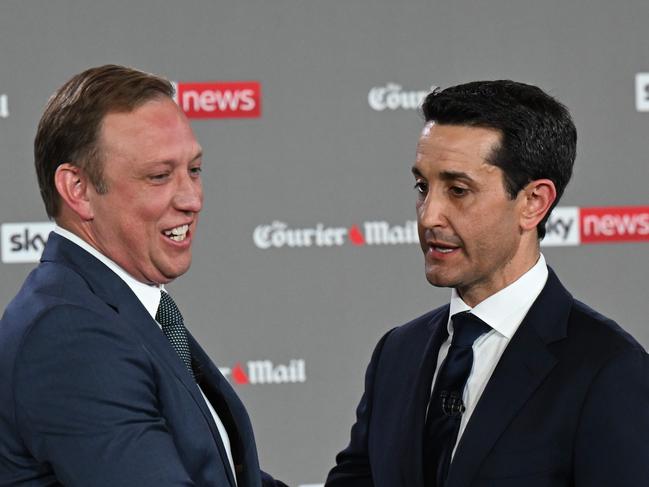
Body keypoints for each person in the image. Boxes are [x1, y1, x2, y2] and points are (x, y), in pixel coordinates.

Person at [326, 80, 649, 487]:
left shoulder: (607, 368)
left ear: (533, 203)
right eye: (423, 188)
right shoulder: (397, 353)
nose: (428, 216)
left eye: (458, 191)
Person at [0, 65, 286, 487]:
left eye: (194, 169)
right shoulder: (70, 333)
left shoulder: (115, 305)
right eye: (159, 176)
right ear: (78, 189)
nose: (192, 198)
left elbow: (211, 469)